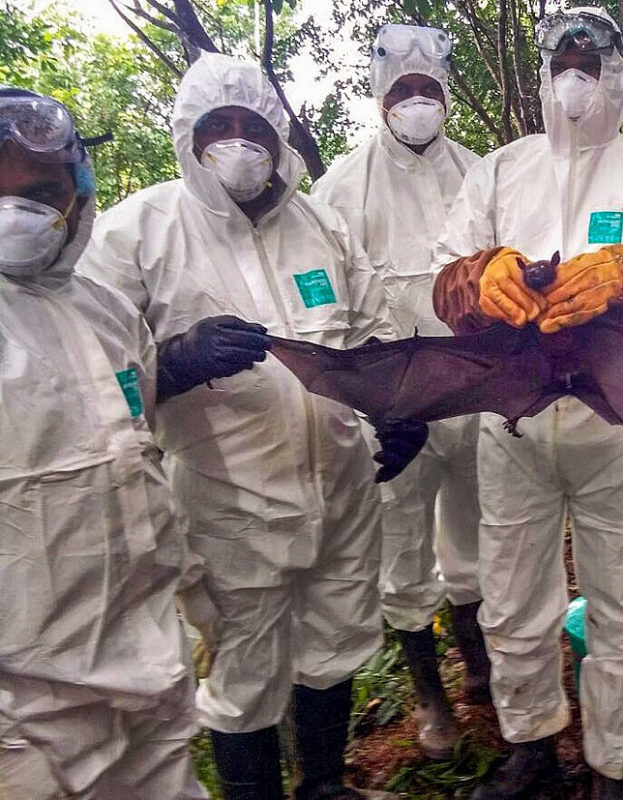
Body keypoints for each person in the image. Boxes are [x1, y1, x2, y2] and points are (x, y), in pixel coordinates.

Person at [78, 54, 414, 800]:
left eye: (253, 125)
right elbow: (91, 380)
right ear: (188, 137)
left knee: (334, 646)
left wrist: (396, 411)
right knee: (244, 677)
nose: (238, 141)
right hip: (228, 507)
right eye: (218, 126)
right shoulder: (138, 233)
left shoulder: (321, 223)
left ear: (277, 135)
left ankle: (324, 786)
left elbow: (373, 333)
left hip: (344, 486)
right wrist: (173, 363)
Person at [430, 8, 623, 799]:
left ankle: (611, 767)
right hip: (515, 427)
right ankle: (530, 749)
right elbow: (442, 276)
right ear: (542, 73)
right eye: (560, 61)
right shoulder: (499, 171)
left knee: (621, 608)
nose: (574, 76)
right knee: (510, 602)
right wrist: (480, 277)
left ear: (614, 72)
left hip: (621, 427)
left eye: (588, 62)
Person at [0, 87, 206, 799]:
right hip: (23, 715)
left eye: (39, 193)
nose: (16, 212)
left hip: (146, 665)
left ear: (78, 193)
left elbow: (134, 452)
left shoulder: (108, 313)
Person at [311, 23, 491, 761]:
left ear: (445, 96)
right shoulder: (340, 188)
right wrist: (371, 402)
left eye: (429, 90)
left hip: (475, 393)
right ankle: (428, 693)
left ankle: (480, 664)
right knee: (403, 547)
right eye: (404, 91)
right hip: (394, 411)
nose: (417, 103)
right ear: (382, 98)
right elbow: (329, 307)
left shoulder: (481, 174)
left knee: (478, 535)